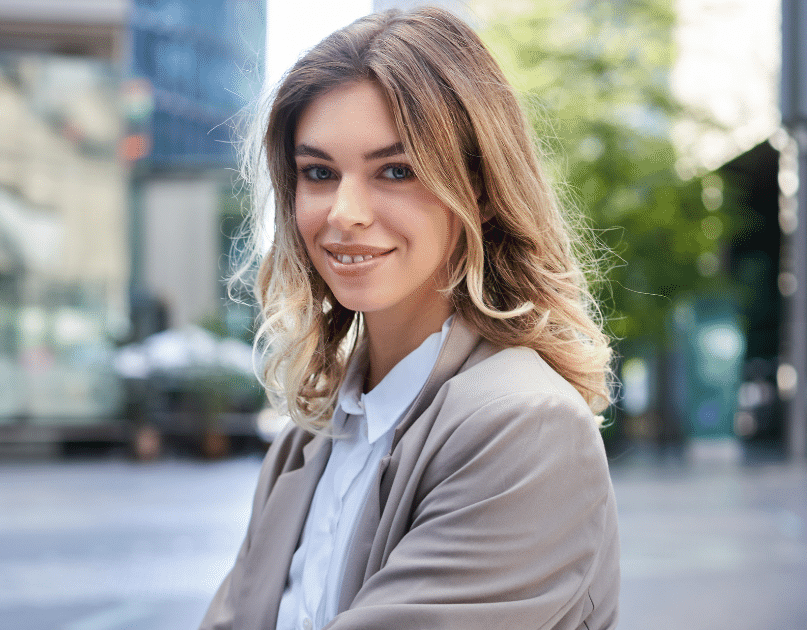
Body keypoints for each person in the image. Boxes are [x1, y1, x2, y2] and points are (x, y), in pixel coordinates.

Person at [200, 6, 620, 630]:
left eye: (395, 171)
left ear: (477, 188)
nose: (345, 211)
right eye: (319, 172)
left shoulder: (528, 428)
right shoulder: (308, 439)